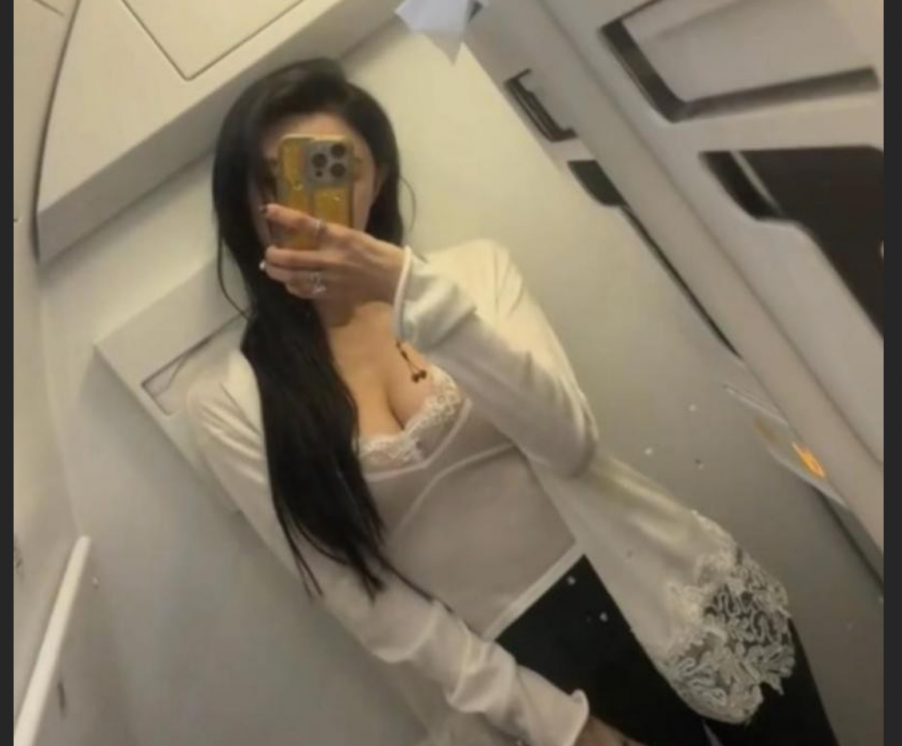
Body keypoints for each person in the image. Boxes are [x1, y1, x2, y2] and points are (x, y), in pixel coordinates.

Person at [188, 59, 840, 746]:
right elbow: (367, 603)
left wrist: (408, 290)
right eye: (274, 179)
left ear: (377, 178)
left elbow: (569, 442)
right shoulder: (234, 400)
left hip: (680, 591)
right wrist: (562, 727)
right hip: (526, 682)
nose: (298, 203)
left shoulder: (471, 275)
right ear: (242, 202)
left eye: (329, 167)